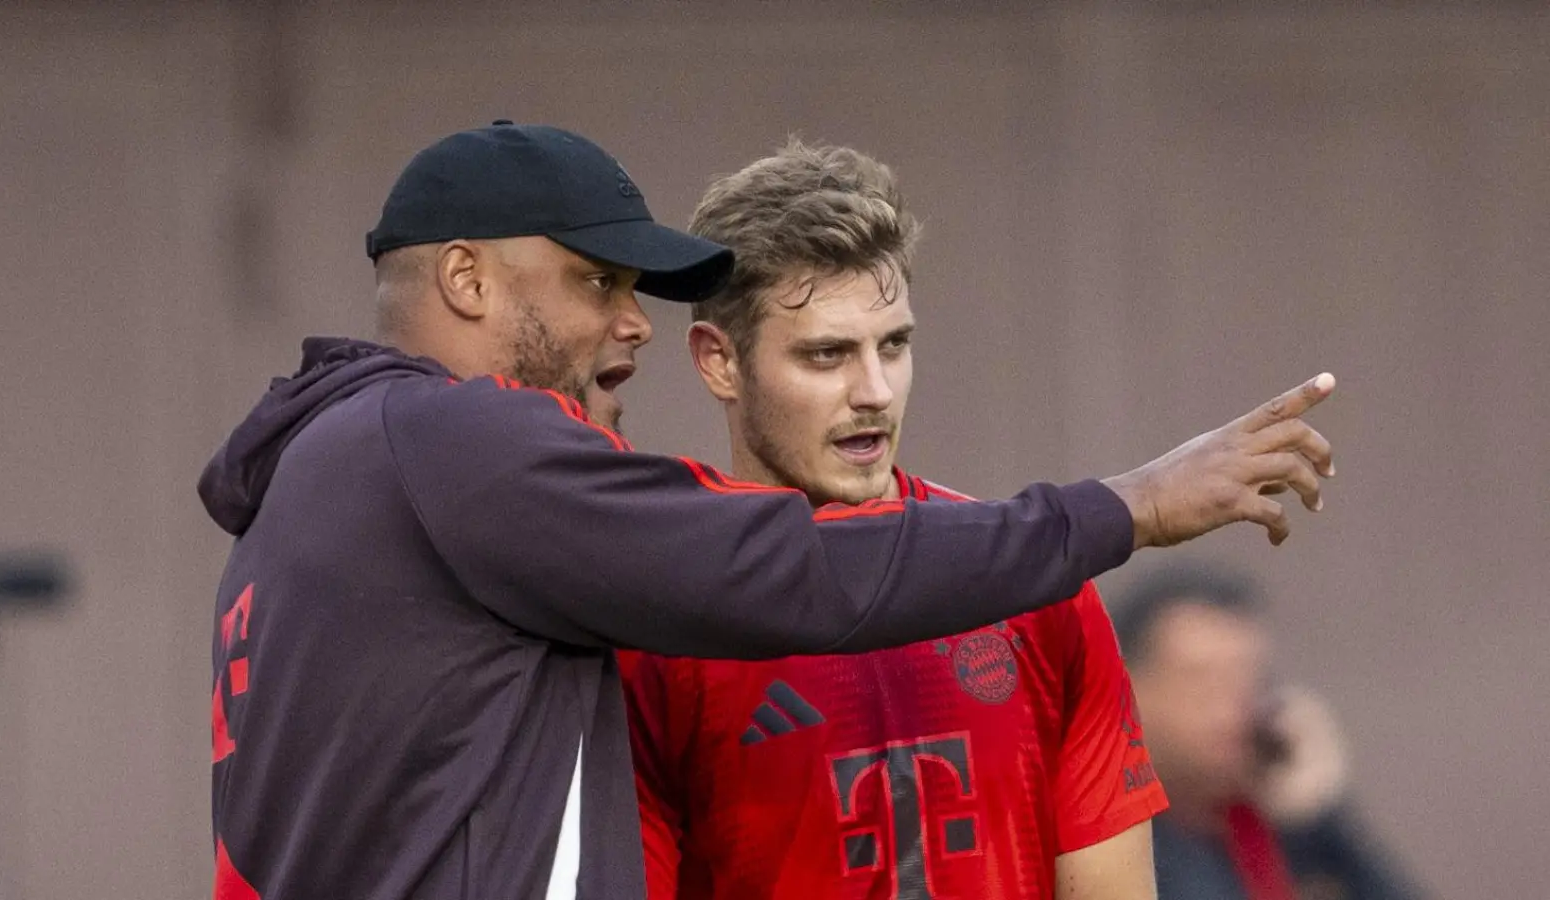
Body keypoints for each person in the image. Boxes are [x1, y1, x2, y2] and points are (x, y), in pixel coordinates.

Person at [199, 121, 1336, 900]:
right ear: (466, 280)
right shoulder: (457, 442)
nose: (629, 320)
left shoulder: (321, 479)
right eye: (597, 281)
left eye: (894, 346)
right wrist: (1131, 503)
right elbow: (787, 568)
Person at [620, 140, 1167, 900]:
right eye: (826, 355)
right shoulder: (656, 628)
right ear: (718, 361)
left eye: (895, 345)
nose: (873, 389)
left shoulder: (1035, 589)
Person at [1113, 564, 1426, 900]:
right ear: (1128, 688)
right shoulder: (1101, 833)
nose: (1227, 712)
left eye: (1244, 683)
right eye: (1199, 683)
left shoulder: (1274, 821)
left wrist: (1323, 815)